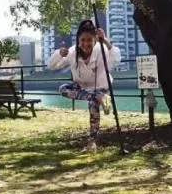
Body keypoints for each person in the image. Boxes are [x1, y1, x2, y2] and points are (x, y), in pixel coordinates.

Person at [47, 19, 120, 152]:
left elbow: (116, 60)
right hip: (83, 89)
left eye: (89, 40)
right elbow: (51, 66)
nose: (86, 44)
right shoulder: (72, 52)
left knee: (93, 104)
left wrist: (106, 41)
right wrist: (59, 53)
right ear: (78, 40)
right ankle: (100, 98)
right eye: (83, 40)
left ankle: (92, 142)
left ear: (94, 40)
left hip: (100, 87)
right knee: (63, 89)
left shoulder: (101, 49)